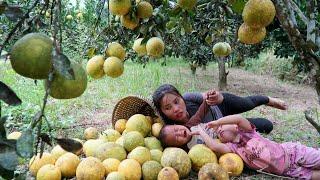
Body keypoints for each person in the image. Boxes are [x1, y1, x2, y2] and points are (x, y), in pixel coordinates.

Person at [159, 115, 320, 179]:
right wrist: (202, 133)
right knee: (313, 176)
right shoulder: (233, 149)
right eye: (218, 132)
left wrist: (217, 122)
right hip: (287, 170)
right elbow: (214, 145)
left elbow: (238, 118)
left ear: (235, 127)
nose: (219, 130)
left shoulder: (248, 131)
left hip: (292, 153)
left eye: (222, 128)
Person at [152, 84, 287, 134]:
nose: (176, 109)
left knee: (247, 103)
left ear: (181, 97)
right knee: (266, 126)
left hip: (220, 105)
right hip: (225, 125)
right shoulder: (173, 129)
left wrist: (217, 97)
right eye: (168, 108)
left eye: (176, 102)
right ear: (162, 112)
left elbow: (208, 97)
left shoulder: (188, 97)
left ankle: (269, 100)